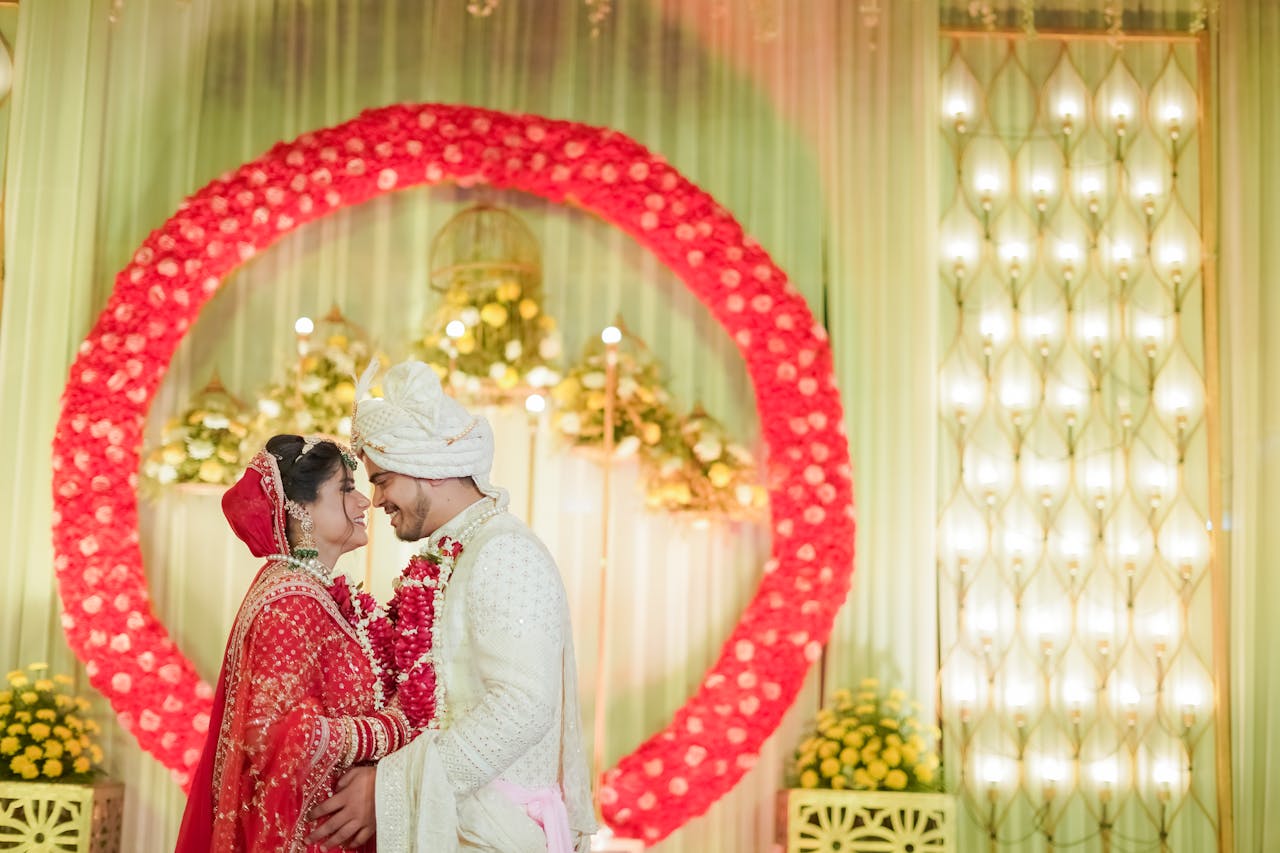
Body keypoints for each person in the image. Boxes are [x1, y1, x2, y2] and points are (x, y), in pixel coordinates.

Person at [308, 360, 596, 853]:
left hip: (495, 833)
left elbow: (523, 706)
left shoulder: (504, 551)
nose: (376, 501)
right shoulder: (458, 552)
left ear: (432, 472)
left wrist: (390, 786)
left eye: (384, 480)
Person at [175, 435, 411, 853]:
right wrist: (393, 728)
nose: (363, 503)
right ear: (299, 509)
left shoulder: (307, 591)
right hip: (307, 836)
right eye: (345, 489)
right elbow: (272, 734)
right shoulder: (291, 600)